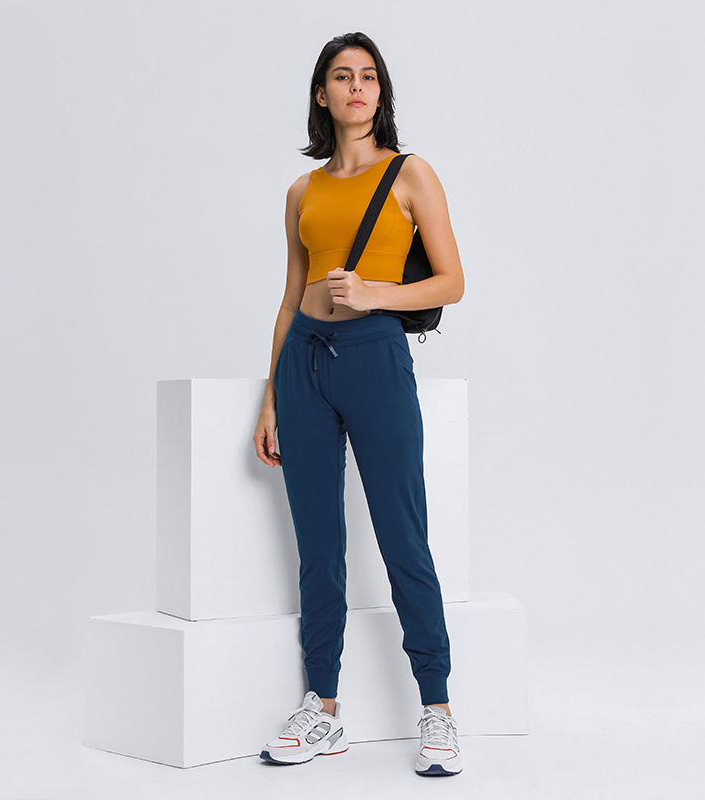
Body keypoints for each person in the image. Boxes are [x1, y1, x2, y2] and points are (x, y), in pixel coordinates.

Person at [252, 31, 465, 776]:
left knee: (403, 536)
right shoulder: (301, 192)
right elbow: (289, 299)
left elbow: (451, 282)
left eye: (368, 77)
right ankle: (323, 708)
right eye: (342, 77)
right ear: (322, 94)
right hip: (305, 362)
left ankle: (437, 708)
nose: (356, 88)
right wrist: (272, 396)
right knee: (319, 546)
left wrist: (374, 293)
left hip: (374, 356)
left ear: (381, 92)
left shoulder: (410, 174)